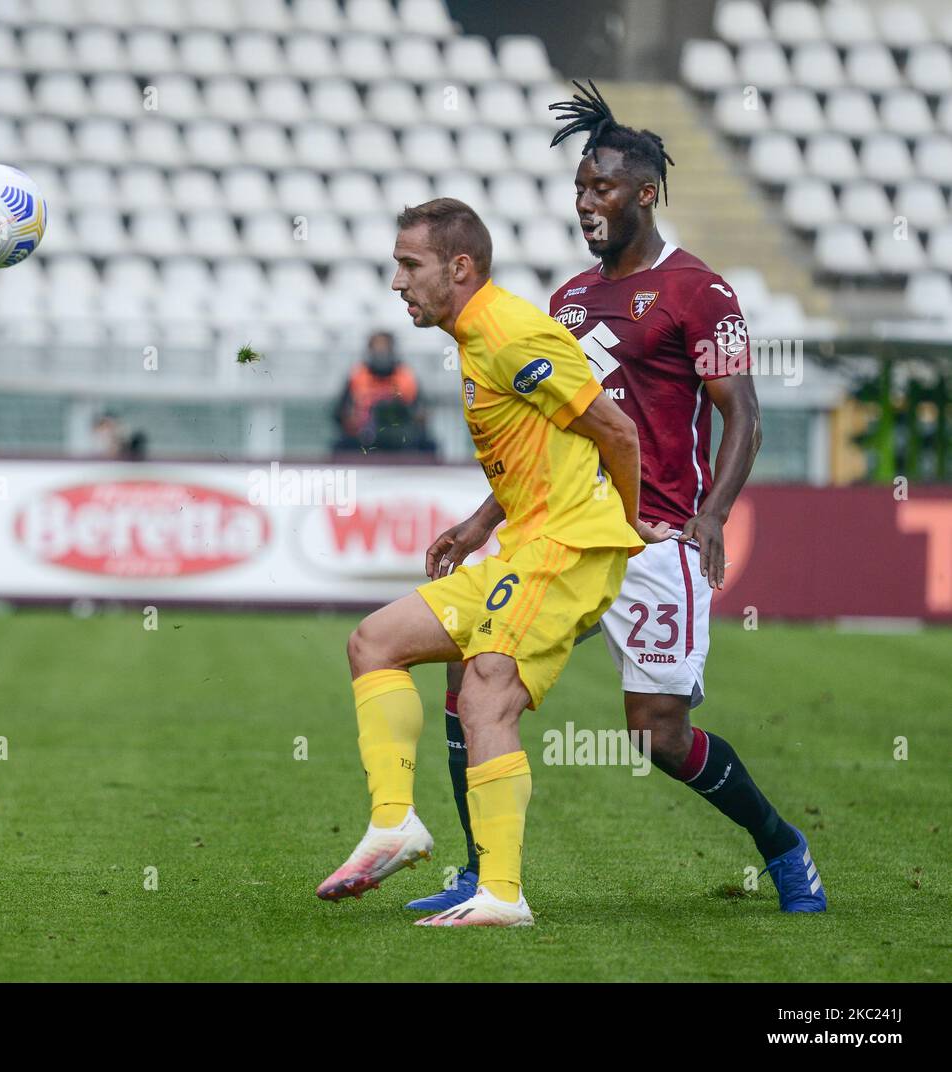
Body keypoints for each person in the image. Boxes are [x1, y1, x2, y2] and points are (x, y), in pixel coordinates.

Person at [409, 81, 826, 916]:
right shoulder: (562, 302)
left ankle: (783, 845)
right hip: (561, 535)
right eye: (577, 190)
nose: (585, 203)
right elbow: (551, 435)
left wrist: (712, 515)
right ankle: (478, 873)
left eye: (601, 188)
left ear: (646, 192)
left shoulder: (698, 292)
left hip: (657, 538)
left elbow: (742, 410)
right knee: (472, 677)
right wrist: (483, 519)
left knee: (657, 735)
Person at [315, 198, 663, 927]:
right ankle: (394, 824)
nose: (397, 282)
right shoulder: (476, 338)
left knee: (485, 693)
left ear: (460, 267)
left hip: (567, 548)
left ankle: (502, 894)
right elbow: (540, 450)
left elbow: (618, 432)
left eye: (410, 266)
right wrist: (478, 525)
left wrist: (626, 526)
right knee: (373, 641)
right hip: (526, 542)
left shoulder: (508, 333)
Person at [332, 332, 434, 454]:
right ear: (370, 350)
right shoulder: (357, 376)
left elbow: (421, 412)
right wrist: (351, 420)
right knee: (340, 445)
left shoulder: (406, 377)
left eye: (385, 348)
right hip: (364, 435)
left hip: (401, 435)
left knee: (428, 445)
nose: (381, 352)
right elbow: (340, 413)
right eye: (377, 348)